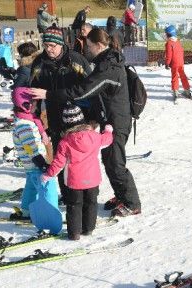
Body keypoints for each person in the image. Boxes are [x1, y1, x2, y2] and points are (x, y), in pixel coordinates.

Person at [29, 28, 141, 218]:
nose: (87, 50)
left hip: (116, 121)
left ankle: (132, 203)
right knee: (108, 160)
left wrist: (49, 95)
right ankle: (120, 195)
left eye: (89, 46)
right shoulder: (105, 62)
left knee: (115, 163)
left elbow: (84, 90)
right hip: (107, 120)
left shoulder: (108, 68)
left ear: (98, 45)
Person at [29, 24, 92, 201]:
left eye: (52, 46)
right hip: (54, 116)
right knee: (59, 156)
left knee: (80, 157)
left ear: (61, 44)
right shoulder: (39, 63)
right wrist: (33, 107)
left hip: (78, 117)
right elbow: (33, 89)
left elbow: (90, 87)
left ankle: (85, 191)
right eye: (46, 45)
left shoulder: (76, 60)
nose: (49, 49)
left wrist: (93, 117)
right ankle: (67, 194)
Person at [42, 104, 114, 240]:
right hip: (92, 179)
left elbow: (59, 162)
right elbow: (107, 140)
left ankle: (74, 233)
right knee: (91, 204)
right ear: (82, 120)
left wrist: (48, 175)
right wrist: (108, 131)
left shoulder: (65, 142)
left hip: (74, 181)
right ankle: (88, 229)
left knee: (74, 206)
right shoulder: (94, 136)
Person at [10, 87, 57, 221]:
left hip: (32, 165)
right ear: (26, 105)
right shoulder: (24, 125)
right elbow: (30, 147)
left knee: (31, 189)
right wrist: (41, 164)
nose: (36, 106)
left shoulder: (25, 121)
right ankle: (50, 214)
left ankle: (27, 211)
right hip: (36, 164)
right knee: (48, 188)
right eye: (34, 103)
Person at [164, 25, 191, 101]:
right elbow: (181, 52)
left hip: (174, 63)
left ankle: (175, 92)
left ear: (168, 34)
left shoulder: (169, 43)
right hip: (181, 62)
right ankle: (187, 91)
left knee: (175, 77)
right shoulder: (178, 42)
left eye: (166, 34)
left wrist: (167, 63)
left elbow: (169, 55)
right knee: (183, 76)